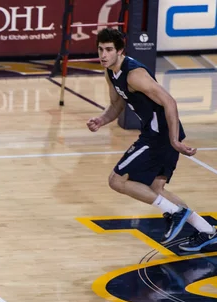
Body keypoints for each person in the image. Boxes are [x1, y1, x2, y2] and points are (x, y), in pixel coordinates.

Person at [87, 28, 217, 252]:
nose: (103, 54)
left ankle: (176, 213)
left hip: (160, 136)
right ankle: (207, 232)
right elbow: (118, 104)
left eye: (109, 50)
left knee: (116, 180)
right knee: (157, 189)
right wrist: (101, 119)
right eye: (100, 49)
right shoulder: (110, 72)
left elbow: (170, 102)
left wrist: (174, 140)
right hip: (157, 134)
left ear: (120, 51)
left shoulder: (134, 74)